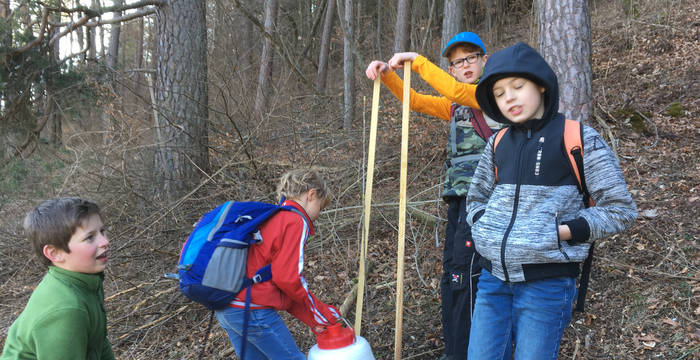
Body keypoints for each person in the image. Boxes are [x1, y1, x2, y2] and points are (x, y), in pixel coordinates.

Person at [465, 42, 638, 359]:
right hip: (492, 281)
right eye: (500, 93)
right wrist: (482, 226)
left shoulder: (577, 139)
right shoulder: (497, 143)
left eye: (518, 86)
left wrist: (558, 233)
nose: (510, 98)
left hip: (546, 286)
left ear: (541, 85)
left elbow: (621, 210)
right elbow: (475, 198)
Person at [365, 32, 499, 359]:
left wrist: (418, 61)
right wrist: (389, 75)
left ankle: (470, 352)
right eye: (457, 62)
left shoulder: (493, 93)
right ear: (451, 69)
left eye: (470, 58)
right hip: (458, 198)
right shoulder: (456, 105)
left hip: (485, 200)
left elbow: (456, 90)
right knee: (454, 273)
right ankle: (456, 347)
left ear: (484, 60)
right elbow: (416, 100)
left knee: (467, 275)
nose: (464, 65)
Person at [215, 168, 341, 359]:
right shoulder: (295, 221)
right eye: (321, 207)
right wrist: (323, 315)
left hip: (227, 306)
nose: (319, 214)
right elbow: (288, 279)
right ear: (311, 194)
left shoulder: (271, 216)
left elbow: (279, 284)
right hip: (252, 309)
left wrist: (312, 318)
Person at [1, 198, 114, 360]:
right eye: (89, 237)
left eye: (102, 232)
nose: (105, 242)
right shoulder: (67, 310)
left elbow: (99, 342)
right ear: (55, 254)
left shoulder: (87, 282)